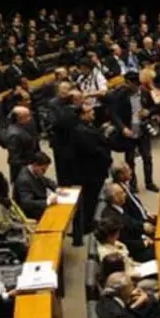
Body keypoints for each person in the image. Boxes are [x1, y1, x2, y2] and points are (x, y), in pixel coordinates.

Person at [104, 71, 160, 193]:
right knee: (130, 160)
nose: (128, 86)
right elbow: (114, 113)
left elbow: (155, 106)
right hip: (129, 129)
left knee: (147, 157)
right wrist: (122, 128)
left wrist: (148, 112)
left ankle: (149, 182)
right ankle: (133, 184)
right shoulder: (121, 94)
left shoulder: (145, 92)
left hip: (142, 129)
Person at [71, 102, 113, 245]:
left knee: (92, 200)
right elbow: (94, 149)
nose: (93, 113)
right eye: (89, 111)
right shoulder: (80, 130)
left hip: (95, 171)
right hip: (88, 173)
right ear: (82, 115)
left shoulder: (88, 127)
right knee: (88, 200)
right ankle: (85, 226)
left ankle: (88, 222)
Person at [95, 217, 158, 292]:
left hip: (135, 269)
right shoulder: (110, 257)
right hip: (130, 283)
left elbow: (128, 259)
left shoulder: (113, 243)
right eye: (117, 232)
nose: (119, 234)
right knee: (159, 282)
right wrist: (140, 274)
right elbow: (120, 278)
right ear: (110, 236)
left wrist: (140, 265)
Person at [0, 170, 32, 258]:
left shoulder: (1, 199)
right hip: (5, 238)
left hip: (15, 233)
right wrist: (23, 226)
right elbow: (3, 227)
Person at [102, 183, 155, 262]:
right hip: (132, 253)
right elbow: (123, 242)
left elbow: (131, 223)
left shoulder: (119, 208)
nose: (125, 194)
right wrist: (144, 243)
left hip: (137, 240)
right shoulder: (113, 218)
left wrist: (143, 236)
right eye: (122, 193)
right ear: (115, 198)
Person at [12, 152, 58, 220]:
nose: (44, 172)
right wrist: (47, 201)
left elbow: (46, 181)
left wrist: (57, 189)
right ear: (35, 165)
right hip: (31, 212)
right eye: (43, 170)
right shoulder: (24, 180)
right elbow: (27, 203)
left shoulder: (35, 171)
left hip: (39, 205)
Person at [4, 106, 40, 183]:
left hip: (30, 163)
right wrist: (27, 171)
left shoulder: (25, 125)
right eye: (27, 116)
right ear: (19, 118)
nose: (30, 118)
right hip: (21, 168)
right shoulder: (14, 134)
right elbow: (15, 158)